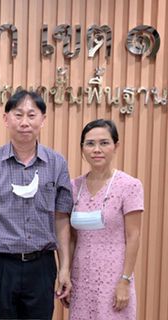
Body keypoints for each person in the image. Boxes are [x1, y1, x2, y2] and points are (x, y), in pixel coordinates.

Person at [0, 90, 73, 319]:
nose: (24, 122)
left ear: (43, 119)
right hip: (1, 265)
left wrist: (64, 267)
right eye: (18, 115)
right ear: (6, 119)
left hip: (42, 264)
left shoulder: (57, 163)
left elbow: (62, 217)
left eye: (31, 115)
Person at [66, 119, 143, 320]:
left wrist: (124, 281)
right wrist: (66, 275)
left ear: (116, 146)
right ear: (82, 149)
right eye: (90, 143)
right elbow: (72, 238)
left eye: (104, 143)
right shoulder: (73, 187)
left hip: (114, 278)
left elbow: (133, 236)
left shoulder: (130, 186)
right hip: (81, 277)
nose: (96, 149)